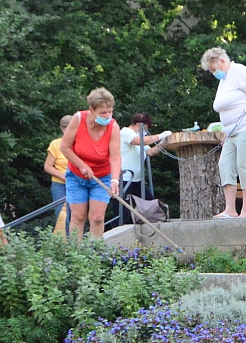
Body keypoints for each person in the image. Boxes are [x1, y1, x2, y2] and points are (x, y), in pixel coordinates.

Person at [201, 46, 246, 218]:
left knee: (245, 166)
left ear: (222, 61)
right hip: (231, 133)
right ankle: (230, 209)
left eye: (214, 69)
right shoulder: (224, 81)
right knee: (225, 165)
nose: (214, 73)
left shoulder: (239, 71)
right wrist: (225, 131)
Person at [60, 88, 123, 238]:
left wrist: (115, 180)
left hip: (102, 177)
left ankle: (96, 250)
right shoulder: (78, 119)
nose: (107, 116)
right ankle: (76, 251)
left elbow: (115, 157)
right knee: (78, 216)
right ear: (92, 110)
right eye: (103, 112)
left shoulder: (113, 127)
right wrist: (81, 165)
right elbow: (64, 147)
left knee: (97, 217)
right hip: (76, 175)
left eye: (110, 111)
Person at [119, 112, 171, 224]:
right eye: (145, 129)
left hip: (137, 180)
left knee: (150, 205)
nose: (146, 132)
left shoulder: (138, 137)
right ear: (138, 125)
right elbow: (141, 141)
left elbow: (151, 152)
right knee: (123, 213)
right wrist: (161, 135)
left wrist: (164, 142)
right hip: (124, 179)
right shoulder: (126, 132)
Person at [43, 114, 75, 234]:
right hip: (60, 185)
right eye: (67, 128)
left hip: (77, 183)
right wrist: (64, 177)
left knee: (77, 215)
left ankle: (75, 241)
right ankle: (64, 241)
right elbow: (47, 166)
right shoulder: (55, 144)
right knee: (62, 216)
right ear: (62, 129)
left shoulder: (80, 143)